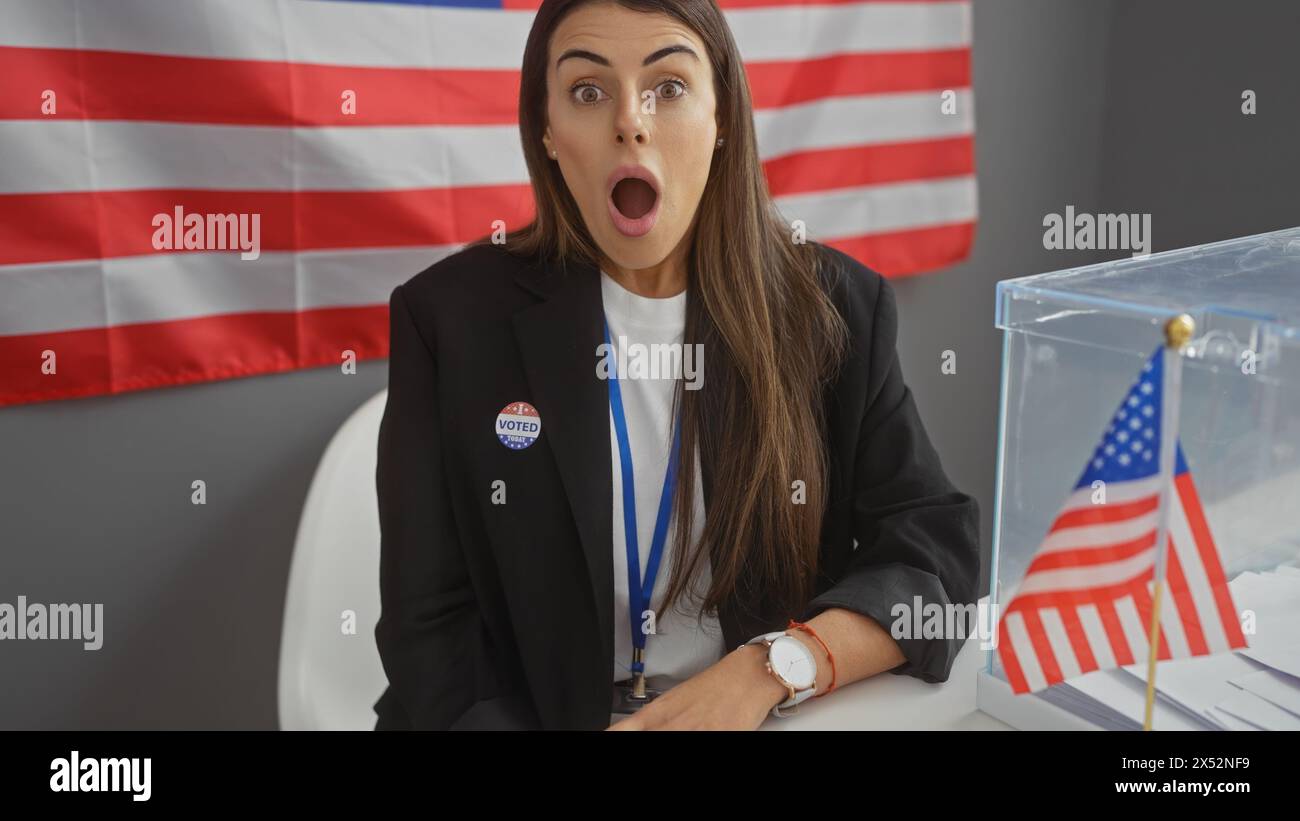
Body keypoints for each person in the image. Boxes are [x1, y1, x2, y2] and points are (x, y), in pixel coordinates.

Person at [373, 0, 979, 731]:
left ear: (723, 118)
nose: (631, 120)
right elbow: (429, 629)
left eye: (669, 86)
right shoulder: (447, 319)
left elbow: (935, 562)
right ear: (548, 134)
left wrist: (778, 664)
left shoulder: (837, 309)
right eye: (588, 92)